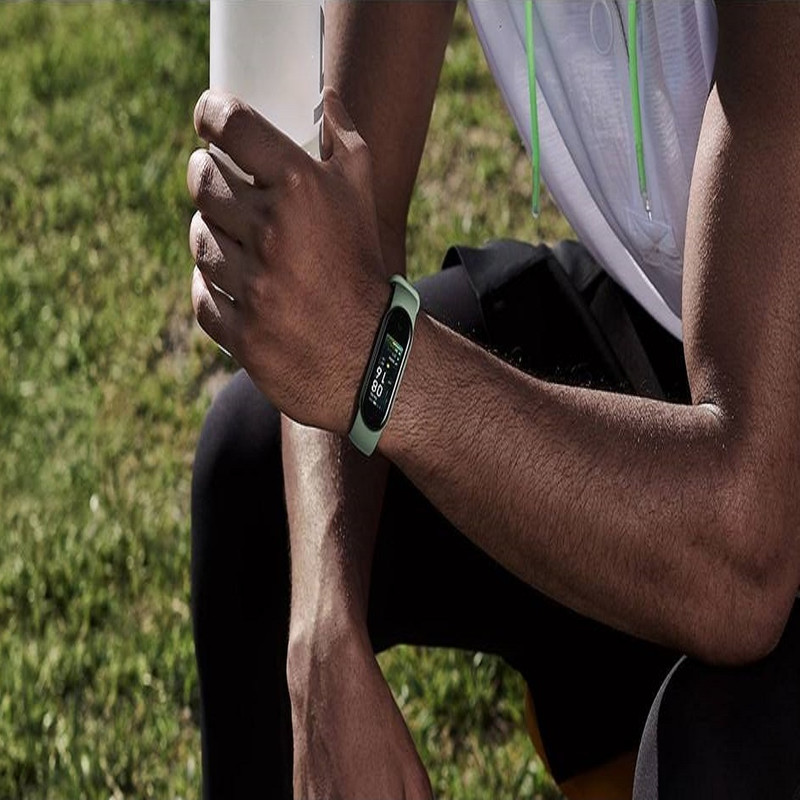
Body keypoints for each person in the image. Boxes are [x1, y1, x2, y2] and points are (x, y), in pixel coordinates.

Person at [186, 2, 800, 798]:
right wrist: (325, 631)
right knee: (255, 482)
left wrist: (377, 359)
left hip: (763, 469)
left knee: (720, 752)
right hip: (673, 335)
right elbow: (353, 206)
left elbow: (749, 557)